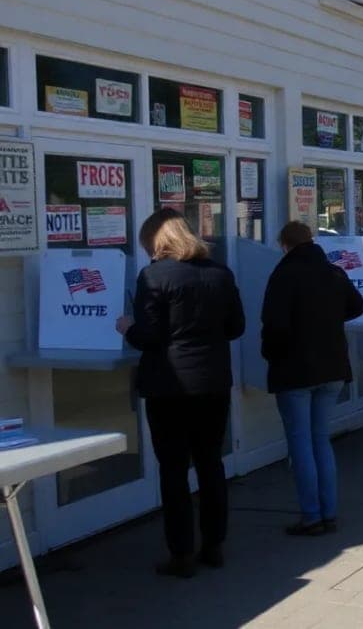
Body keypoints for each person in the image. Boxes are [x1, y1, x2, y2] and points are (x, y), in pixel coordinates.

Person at [116, 208, 244, 578]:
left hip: (168, 388)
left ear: (157, 240)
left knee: (173, 470)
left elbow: (149, 335)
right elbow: (236, 327)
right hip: (213, 384)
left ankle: (181, 554)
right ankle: (214, 545)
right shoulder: (221, 273)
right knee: (210, 464)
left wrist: (127, 326)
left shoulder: (154, 276)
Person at [261, 221, 363, 537]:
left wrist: (271, 355)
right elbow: (357, 305)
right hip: (332, 368)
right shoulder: (333, 272)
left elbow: (274, 325)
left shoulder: (284, 274)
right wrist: (330, 319)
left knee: (301, 443)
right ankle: (328, 512)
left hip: (295, 370)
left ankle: (311, 516)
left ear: (284, 244)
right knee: (320, 440)